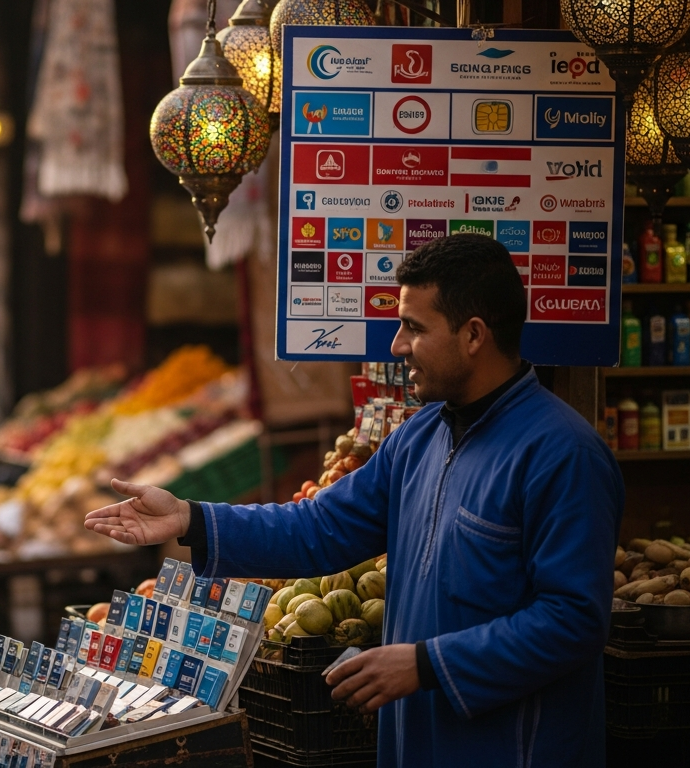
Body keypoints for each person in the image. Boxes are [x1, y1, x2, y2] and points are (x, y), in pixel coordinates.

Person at [85, 234, 624, 767]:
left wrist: (428, 664)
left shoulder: (562, 454)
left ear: (474, 335)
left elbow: (573, 619)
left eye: (414, 327)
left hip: (514, 748)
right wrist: (190, 519)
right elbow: (318, 527)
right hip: (416, 740)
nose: (397, 345)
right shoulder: (420, 438)